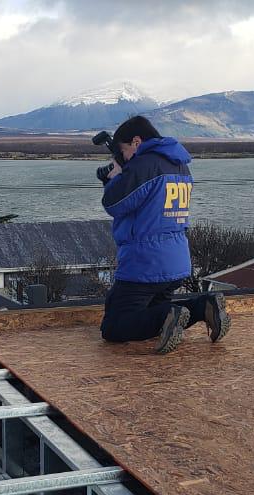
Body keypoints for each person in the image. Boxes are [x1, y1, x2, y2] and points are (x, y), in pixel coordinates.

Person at [99, 116, 229, 354]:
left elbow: (113, 203)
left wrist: (114, 178)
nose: (124, 157)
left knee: (113, 327)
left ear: (137, 142)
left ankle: (169, 316)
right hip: (176, 262)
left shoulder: (145, 166)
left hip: (144, 263)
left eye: (124, 151)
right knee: (152, 311)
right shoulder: (180, 165)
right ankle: (203, 306)